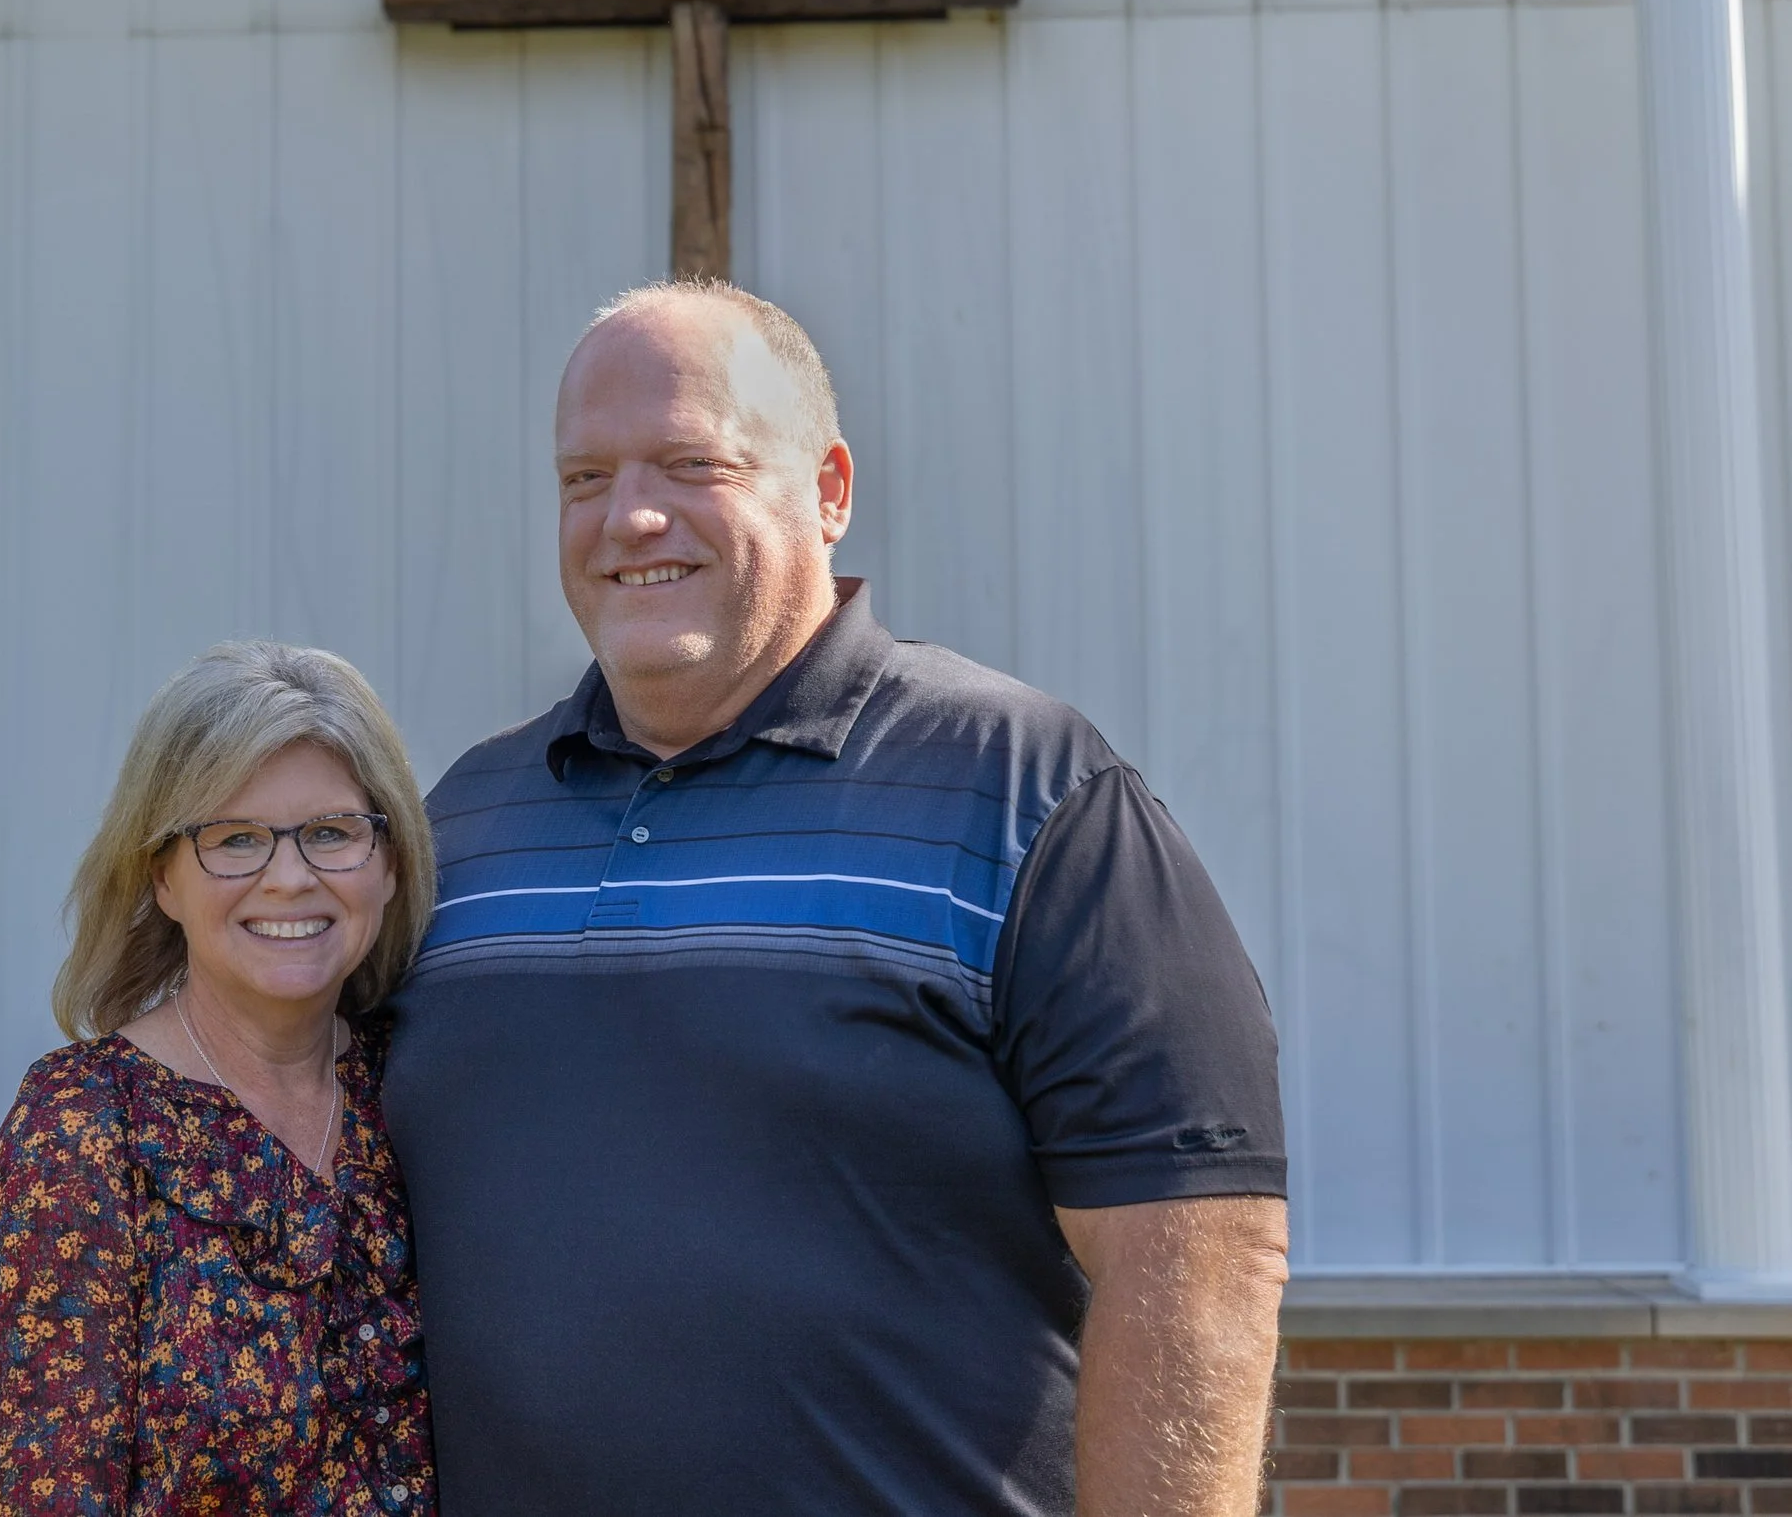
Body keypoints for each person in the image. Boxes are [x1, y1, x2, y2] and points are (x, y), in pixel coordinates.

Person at [382, 282, 1290, 1517]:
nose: (627, 515)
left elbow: (1193, 1256)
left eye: (690, 461)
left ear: (830, 489)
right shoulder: (467, 823)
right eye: (582, 479)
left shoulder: (1026, 793)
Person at [0, 641, 438, 1517]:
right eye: (235, 840)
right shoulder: (83, 1131)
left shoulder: (423, 1091)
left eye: (330, 833)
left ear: (390, 861)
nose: (289, 878)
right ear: (162, 878)